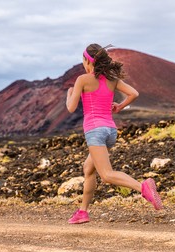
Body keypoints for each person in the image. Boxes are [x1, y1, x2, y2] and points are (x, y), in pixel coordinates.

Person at [66, 43, 163, 224]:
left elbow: (71, 108)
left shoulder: (83, 80)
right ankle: (82, 212)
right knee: (89, 169)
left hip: (95, 131)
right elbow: (134, 93)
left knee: (107, 175)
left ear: (88, 61)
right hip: (110, 131)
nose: (83, 64)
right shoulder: (112, 79)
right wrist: (119, 106)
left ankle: (143, 187)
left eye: (83, 60)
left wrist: (69, 94)